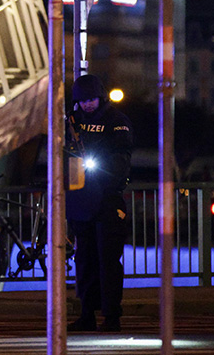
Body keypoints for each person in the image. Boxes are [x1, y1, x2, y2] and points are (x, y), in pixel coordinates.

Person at [65, 74, 133, 333]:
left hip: (107, 198)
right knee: (85, 260)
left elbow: (121, 158)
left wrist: (100, 171)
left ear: (100, 97)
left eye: (91, 100)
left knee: (108, 261)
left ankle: (111, 316)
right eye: (82, 101)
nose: (87, 105)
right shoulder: (73, 122)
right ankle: (87, 314)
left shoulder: (116, 121)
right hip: (82, 198)